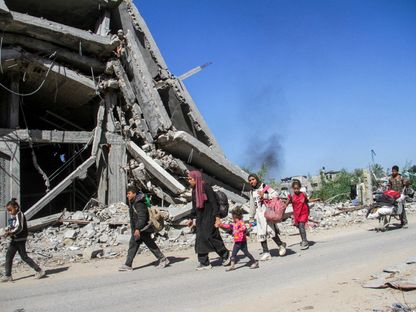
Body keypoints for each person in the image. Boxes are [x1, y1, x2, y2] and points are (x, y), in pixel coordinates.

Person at [187, 170, 230, 270]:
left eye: (190, 179)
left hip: (210, 216)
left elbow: (214, 203)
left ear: (196, 178)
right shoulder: (194, 190)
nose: (189, 181)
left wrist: (217, 218)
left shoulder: (206, 187)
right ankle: (204, 262)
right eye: (188, 179)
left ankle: (225, 255)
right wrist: (190, 218)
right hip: (200, 218)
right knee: (200, 239)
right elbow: (194, 207)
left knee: (211, 237)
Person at [119, 186, 169, 271]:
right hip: (139, 228)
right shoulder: (133, 202)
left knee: (145, 244)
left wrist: (137, 228)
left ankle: (163, 259)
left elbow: (142, 217)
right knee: (135, 244)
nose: (127, 195)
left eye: (129, 193)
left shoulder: (139, 204)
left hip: (142, 229)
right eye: (127, 194)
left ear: (134, 194)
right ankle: (128, 264)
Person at [2, 198, 45, 282]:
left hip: (20, 239)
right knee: (9, 256)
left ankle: (39, 271)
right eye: (8, 211)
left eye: (11, 210)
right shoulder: (15, 216)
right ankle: (8, 275)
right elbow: (13, 226)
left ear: (16, 207)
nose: (10, 212)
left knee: (23, 257)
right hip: (15, 239)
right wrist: (8, 230)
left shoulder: (20, 214)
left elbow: (20, 227)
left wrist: (11, 232)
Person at [248, 173, 286, 261]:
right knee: (261, 233)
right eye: (250, 180)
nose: (251, 182)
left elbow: (276, 195)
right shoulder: (251, 191)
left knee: (270, 231)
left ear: (257, 179)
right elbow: (252, 205)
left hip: (268, 213)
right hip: (259, 216)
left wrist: (264, 195)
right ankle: (266, 252)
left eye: (253, 179)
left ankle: (281, 245)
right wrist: (251, 217)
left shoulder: (264, 186)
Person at [287, 180, 319, 250]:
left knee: (301, 226)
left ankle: (305, 241)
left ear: (300, 188)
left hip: (304, 213)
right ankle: (303, 239)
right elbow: (286, 204)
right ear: (292, 188)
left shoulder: (303, 194)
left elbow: (307, 201)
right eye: (295, 189)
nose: (296, 190)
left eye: (297, 188)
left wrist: (316, 199)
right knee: (299, 227)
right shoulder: (291, 196)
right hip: (296, 214)